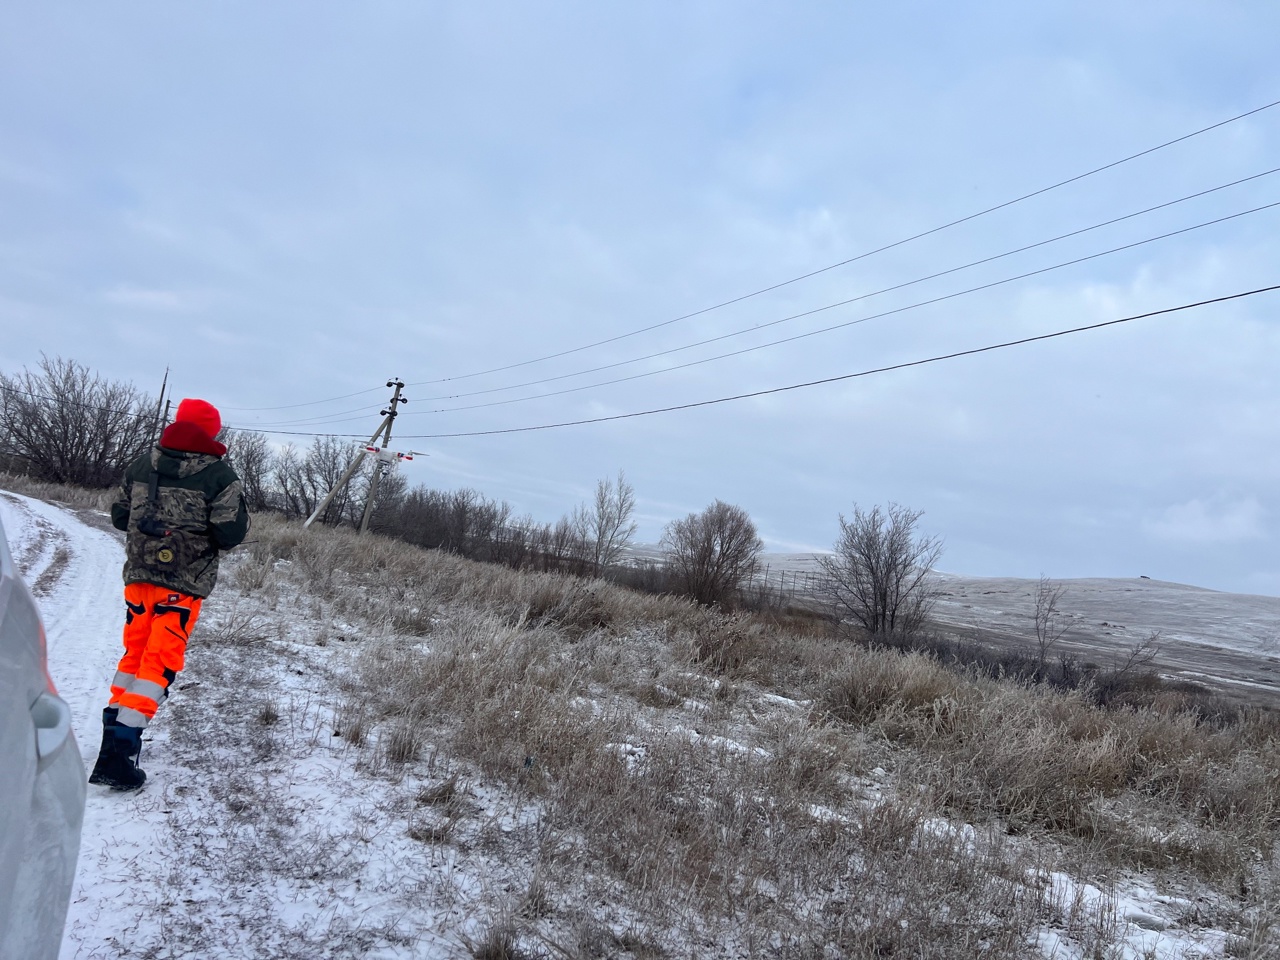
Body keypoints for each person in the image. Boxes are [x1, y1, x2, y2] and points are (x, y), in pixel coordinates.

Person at [89, 398, 248, 790]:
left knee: (134, 656)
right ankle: (120, 754)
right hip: (183, 585)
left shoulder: (142, 465)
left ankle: (112, 739)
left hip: (139, 578)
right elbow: (230, 534)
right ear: (212, 432)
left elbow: (120, 516)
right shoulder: (220, 476)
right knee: (159, 663)